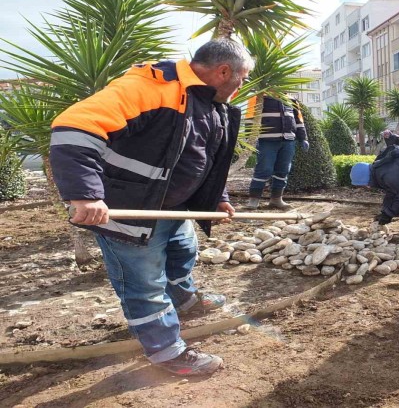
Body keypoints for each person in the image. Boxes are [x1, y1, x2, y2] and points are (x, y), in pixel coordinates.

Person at [49, 39, 254, 375]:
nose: (241, 86)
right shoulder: (150, 87)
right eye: (242, 79)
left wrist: (219, 197)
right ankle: (167, 353)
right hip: (129, 211)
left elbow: (205, 160)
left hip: (172, 210)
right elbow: (75, 126)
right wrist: (85, 196)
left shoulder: (209, 103)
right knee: (144, 285)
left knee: (182, 255)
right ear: (223, 71)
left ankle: (185, 300)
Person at [246, 96, 309, 209]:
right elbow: (250, 119)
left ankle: (276, 199)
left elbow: (299, 120)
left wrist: (303, 138)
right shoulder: (257, 97)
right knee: (264, 169)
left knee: (283, 170)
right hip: (266, 141)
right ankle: (253, 200)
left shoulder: (292, 99)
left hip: (288, 141)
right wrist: (250, 140)